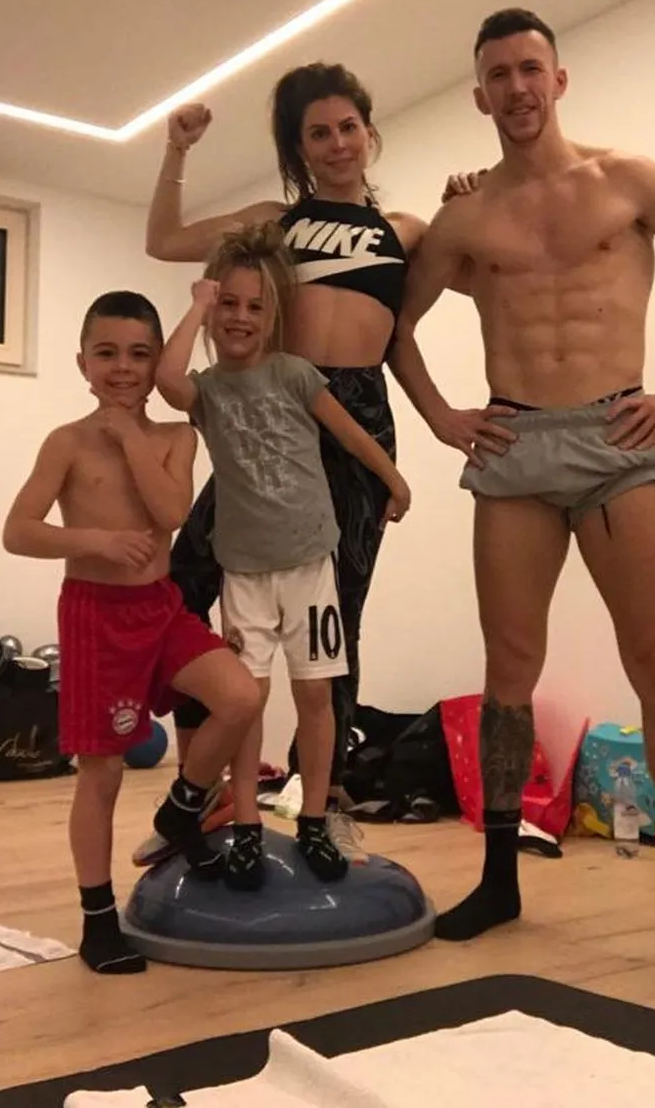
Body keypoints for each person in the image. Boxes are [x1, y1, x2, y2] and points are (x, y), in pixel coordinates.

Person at [389, 8, 655, 961]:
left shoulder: (627, 181)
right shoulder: (467, 217)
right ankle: (500, 879)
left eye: (531, 69)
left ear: (558, 79)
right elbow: (397, 325)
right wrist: (439, 415)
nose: (517, 88)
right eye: (499, 75)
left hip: (615, 438)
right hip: (513, 445)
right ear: (480, 96)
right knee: (509, 672)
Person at [135, 61, 473, 867]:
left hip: (356, 414)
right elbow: (164, 241)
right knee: (186, 586)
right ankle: (205, 786)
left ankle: (325, 802)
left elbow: (406, 335)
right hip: (269, 415)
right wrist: (177, 150)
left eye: (347, 127)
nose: (336, 143)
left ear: (369, 132)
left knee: (335, 624)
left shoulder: (407, 230)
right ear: (299, 149)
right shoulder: (272, 223)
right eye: (317, 133)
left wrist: (474, 200)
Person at [2, 291, 261, 975]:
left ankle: (181, 808)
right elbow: (18, 531)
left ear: (156, 365)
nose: (123, 368)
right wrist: (94, 540)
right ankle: (97, 919)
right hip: (95, 614)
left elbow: (171, 511)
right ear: (82, 363)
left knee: (240, 696)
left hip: (161, 608)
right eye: (107, 353)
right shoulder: (65, 442)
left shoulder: (177, 436)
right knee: (104, 770)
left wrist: (128, 438)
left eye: (140, 354)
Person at [154, 224, 411, 890]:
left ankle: (314, 819)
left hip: (309, 565)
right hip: (244, 571)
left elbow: (351, 436)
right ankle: (244, 823)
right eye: (229, 304)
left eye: (254, 306)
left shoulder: (294, 373)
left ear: (273, 316)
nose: (240, 317)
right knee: (247, 701)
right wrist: (196, 305)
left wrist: (394, 480)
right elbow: (166, 377)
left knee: (316, 694)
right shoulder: (209, 389)